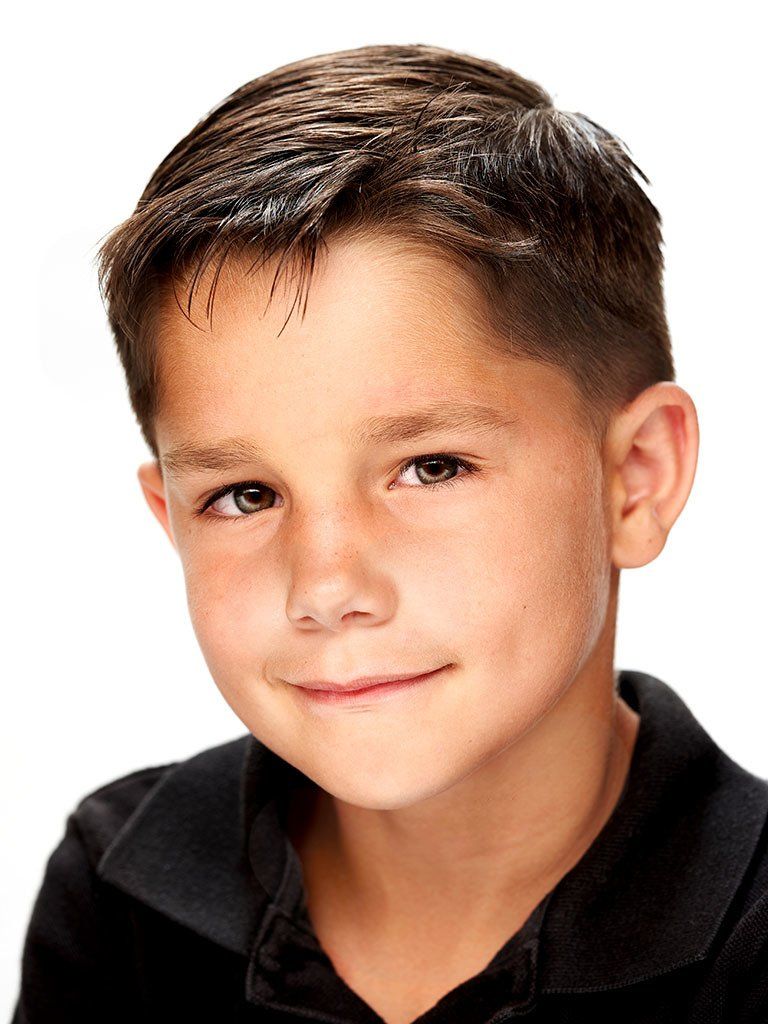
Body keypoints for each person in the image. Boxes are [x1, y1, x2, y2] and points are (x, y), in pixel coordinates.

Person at [11, 42, 768, 1024]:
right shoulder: (120, 894)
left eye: (431, 467)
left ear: (635, 479)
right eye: (245, 494)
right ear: (171, 519)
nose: (327, 587)